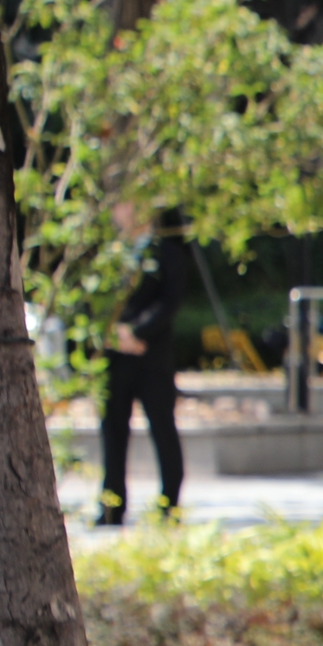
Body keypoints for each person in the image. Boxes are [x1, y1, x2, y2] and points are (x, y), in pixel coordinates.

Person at [95, 201, 195, 527]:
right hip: (115, 358)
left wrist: (136, 332)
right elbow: (94, 300)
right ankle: (112, 507)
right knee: (112, 431)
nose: (117, 212)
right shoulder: (109, 255)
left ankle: (170, 507)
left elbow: (171, 301)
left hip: (152, 356)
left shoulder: (167, 252)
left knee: (162, 428)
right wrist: (111, 333)